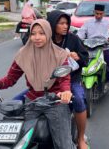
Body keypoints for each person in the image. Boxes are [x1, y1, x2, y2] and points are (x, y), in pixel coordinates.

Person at [0, 19, 74, 149]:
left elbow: (64, 78)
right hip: (32, 102)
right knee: (21, 142)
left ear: (48, 34)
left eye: (41, 33)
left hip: (54, 102)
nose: (36, 37)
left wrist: (66, 92)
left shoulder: (60, 54)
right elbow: (10, 79)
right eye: (33, 33)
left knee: (63, 145)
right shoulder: (24, 53)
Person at [47, 10, 89, 149]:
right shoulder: (45, 39)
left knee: (78, 100)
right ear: (52, 25)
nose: (65, 26)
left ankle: (81, 138)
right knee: (24, 99)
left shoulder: (73, 39)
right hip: (49, 81)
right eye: (61, 23)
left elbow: (85, 58)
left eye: (67, 23)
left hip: (71, 79)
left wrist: (78, 57)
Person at [77, 4, 109, 100]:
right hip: (90, 48)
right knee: (80, 66)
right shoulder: (88, 23)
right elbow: (80, 34)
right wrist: (78, 40)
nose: (98, 16)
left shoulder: (107, 23)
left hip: (105, 48)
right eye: (97, 13)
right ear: (93, 12)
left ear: (104, 13)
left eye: (100, 14)